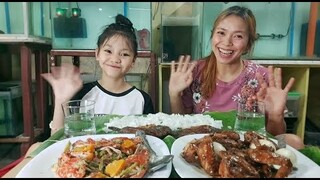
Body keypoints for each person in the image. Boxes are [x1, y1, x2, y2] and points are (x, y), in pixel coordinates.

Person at [168, 5, 304, 149]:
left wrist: (276, 117)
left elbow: (277, 137)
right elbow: (182, 125)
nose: (227, 42)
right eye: (221, 33)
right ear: (212, 35)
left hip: (249, 147)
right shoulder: (194, 72)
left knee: (293, 140)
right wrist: (174, 94)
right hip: (205, 146)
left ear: (248, 45)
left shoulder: (261, 77)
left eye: (238, 36)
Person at [42, 14, 154, 135]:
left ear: (133, 61)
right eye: (108, 51)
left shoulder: (142, 99)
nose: (115, 59)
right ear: (97, 54)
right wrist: (61, 99)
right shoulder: (82, 94)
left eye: (124, 54)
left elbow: (150, 139)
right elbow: (56, 139)